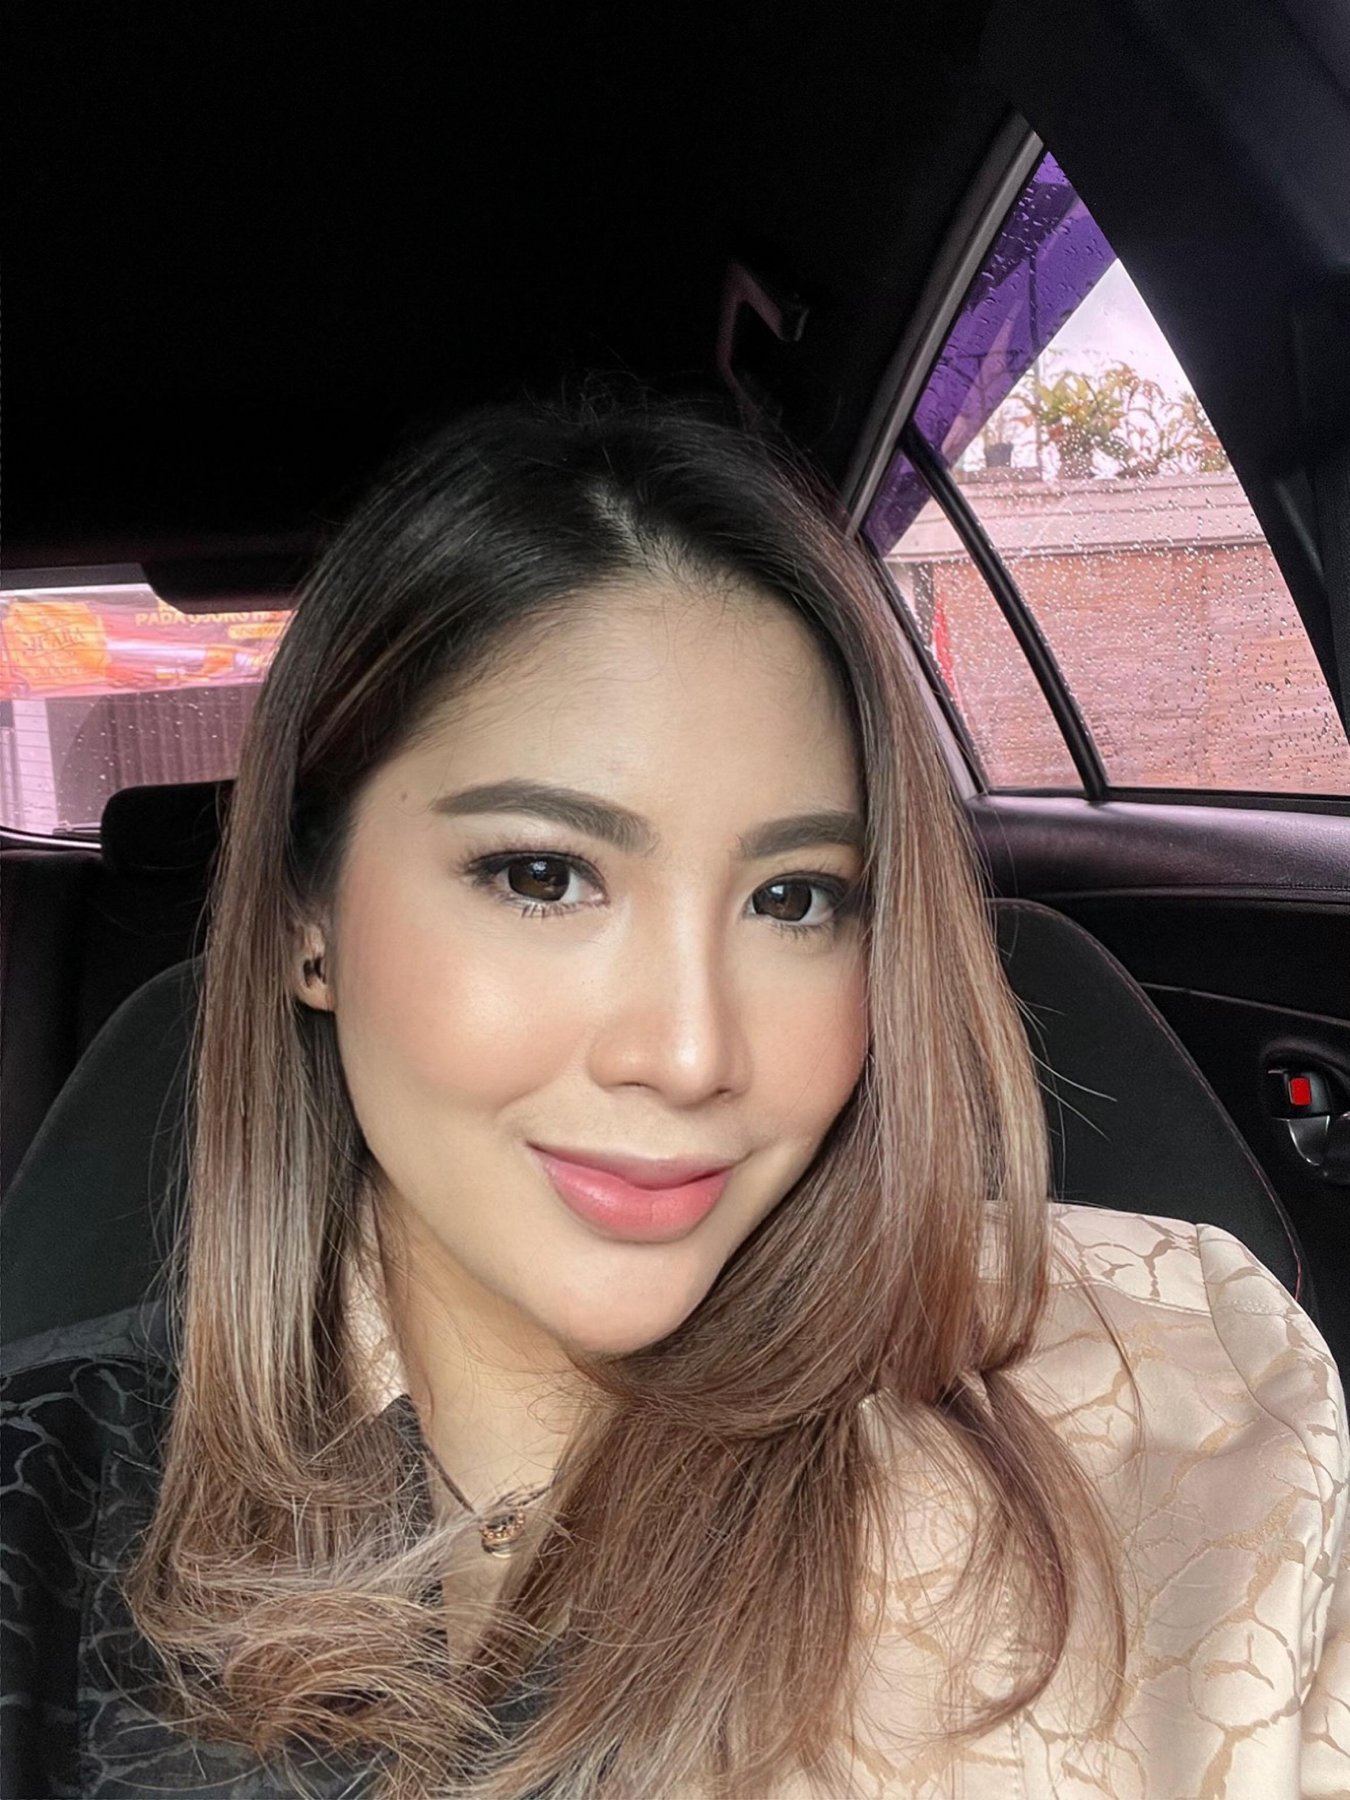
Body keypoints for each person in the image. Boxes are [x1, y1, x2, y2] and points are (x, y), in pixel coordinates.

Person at [2, 392, 1346, 1800]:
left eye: (795, 898)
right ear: (306, 916)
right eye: (542, 876)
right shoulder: (43, 1493)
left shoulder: (1185, 1406)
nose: (693, 1053)